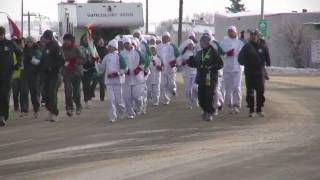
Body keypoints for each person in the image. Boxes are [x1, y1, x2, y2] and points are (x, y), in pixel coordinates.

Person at [188, 33, 223, 121]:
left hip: (210, 77)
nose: (202, 43)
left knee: (209, 95)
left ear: (208, 42)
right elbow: (194, 63)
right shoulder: (200, 53)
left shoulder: (213, 52)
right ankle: (204, 110)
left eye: (204, 41)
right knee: (201, 96)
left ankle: (210, 112)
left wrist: (211, 67)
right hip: (201, 77)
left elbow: (220, 64)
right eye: (201, 41)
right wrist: (190, 61)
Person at [238, 29, 271, 117]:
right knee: (250, 92)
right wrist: (246, 62)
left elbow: (268, 59)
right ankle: (251, 110)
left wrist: (267, 63)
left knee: (260, 91)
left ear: (258, 36)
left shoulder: (263, 46)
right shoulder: (246, 47)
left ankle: (259, 109)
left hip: (260, 73)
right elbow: (240, 59)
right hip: (249, 72)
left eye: (255, 35)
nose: (253, 36)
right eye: (252, 35)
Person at [39, 30, 64, 122]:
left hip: (54, 75)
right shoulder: (45, 47)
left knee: (51, 93)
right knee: (45, 94)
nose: (43, 39)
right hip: (45, 75)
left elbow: (61, 60)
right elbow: (43, 60)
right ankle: (50, 111)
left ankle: (54, 113)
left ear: (48, 38)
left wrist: (53, 68)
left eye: (44, 37)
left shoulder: (55, 46)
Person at [99, 39, 127, 123]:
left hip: (118, 82)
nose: (109, 48)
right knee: (111, 100)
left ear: (114, 47)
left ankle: (122, 111)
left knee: (118, 101)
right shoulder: (106, 57)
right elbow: (102, 68)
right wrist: (97, 63)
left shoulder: (119, 56)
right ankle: (112, 116)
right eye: (109, 47)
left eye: (110, 47)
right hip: (108, 81)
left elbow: (125, 68)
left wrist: (117, 73)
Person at [0, 26, 22, 126]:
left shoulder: (10, 43)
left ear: (4, 34)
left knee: (5, 95)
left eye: (1, 35)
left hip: (8, 74)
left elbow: (19, 54)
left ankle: (4, 116)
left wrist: (18, 64)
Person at [220, 26, 244, 114]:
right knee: (228, 88)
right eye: (229, 31)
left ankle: (236, 105)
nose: (230, 33)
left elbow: (244, 54)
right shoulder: (223, 42)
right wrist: (226, 54)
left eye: (232, 31)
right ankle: (230, 105)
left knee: (236, 87)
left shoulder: (240, 43)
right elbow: (219, 54)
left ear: (235, 32)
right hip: (227, 68)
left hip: (237, 68)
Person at [120, 37, 145, 119]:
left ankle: (139, 107)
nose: (126, 45)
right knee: (127, 97)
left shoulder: (138, 52)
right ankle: (130, 113)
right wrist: (123, 71)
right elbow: (120, 65)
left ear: (131, 43)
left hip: (137, 78)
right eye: (125, 44)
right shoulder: (122, 54)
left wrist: (138, 69)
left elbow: (143, 62)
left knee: (136, 96)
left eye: (127, 43)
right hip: (126, 79)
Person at [61, 33, 84, 117]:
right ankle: (69, 107)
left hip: (76, 73)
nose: (66, 42)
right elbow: (59, 59)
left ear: (71, 41)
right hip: (66, 73)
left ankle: (78, 106)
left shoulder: (76, 48)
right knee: (67, 90)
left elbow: (82, 58)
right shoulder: (61, 49)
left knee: (76, 92)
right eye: (65, 40)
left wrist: (74, 61)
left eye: (68, 40)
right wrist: (63, 63)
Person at [156, 32, 180, 105]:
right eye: (164, 37)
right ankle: (166, 99)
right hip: (162, 68)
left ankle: (173, 89)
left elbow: (178, 55)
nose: (165, 38)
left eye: (166, 37)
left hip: (171, 68)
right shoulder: (158, 46)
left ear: (169, 38)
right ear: (162, 38)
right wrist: (158, 64)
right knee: (163, 84)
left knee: (171, 84)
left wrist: (176, 62)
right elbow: (156, 56)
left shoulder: (173, 46)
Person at [21, 36, 42, 118]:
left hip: (34, 74)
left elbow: (39, 62)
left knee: (34, 93)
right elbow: (22, 62)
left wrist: (31, 59)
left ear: (33, 43)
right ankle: (24, 109)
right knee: (24, 92)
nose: (29, 43)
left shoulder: (37, 51)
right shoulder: (24, 51)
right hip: (25, 74)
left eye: (31, 42)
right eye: (28, 42)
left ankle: (36, 109)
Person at [133, 31, 151, 114]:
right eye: (135, 36)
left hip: (143, 72)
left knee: (142, 90)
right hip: (133, 74)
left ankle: (143, 106)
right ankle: (136, 107)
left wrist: (146, 70)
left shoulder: (144, 45)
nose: (136, 37)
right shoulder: (131, 48)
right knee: (134, 91)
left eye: (137, 35)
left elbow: (148, 57)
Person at [177, 39, 198, 109]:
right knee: (187, 90)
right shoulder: (184, 54)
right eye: (189, 45)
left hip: (195, 73)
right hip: (186, 74)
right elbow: (178, 63)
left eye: (192, 44)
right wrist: (183, 63)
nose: (191, 46)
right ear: (187, 46)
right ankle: (189, 104)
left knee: (195, 88)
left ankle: (195, 99)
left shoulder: (196, 53)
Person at [79, 34, 94, 109]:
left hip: (90, 68)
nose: (86, 40)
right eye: (84, 39)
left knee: (89, 84)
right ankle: (86, 100)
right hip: (82, 68)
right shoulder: (79, 48)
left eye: (87, 39)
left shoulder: (92, 47)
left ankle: (89, 98)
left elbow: (95, 57)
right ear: (82, 40)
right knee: (85, 84)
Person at [91, 36, 106, 101]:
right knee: (94, 83)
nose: (101, 43)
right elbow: (92, 57)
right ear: (97, 43)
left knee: (102, 84)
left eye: (102, 41)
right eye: (100, 42)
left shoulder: (106, 49)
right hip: (95, 67)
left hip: (102, 68)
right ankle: (91, 93)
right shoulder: (94, 49)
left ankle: (102, 97)